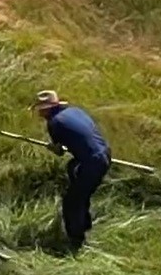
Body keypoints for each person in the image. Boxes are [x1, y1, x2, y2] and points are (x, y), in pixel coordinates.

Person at [33, 90, 111, 252]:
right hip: (105, 153)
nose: (39, 113)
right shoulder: (76, 111)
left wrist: (52, 148)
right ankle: (85, 223)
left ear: (47, 109)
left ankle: (76, 242)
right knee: (73, 171)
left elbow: (60, 151)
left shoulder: (54, 123)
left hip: (92, 162)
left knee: (71, 202)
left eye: (40, 110)